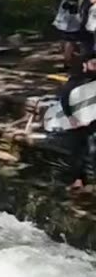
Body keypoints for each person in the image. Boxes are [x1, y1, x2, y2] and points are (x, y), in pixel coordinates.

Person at [59, 56, 96, 191]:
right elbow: (65, 99)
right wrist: (71, 118)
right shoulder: (76, 81)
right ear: (85, 65)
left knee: (93, 150)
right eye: (94, 64)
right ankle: (78, 179)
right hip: (78, 121)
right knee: (77, 150)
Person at [54, 0, 92, 71]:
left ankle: (68, 60)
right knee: (69, 42)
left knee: (67, 41)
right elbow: (68, 4)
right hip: (69, 20)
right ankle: (67, 62)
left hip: (65, 20)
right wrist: (76, 11)